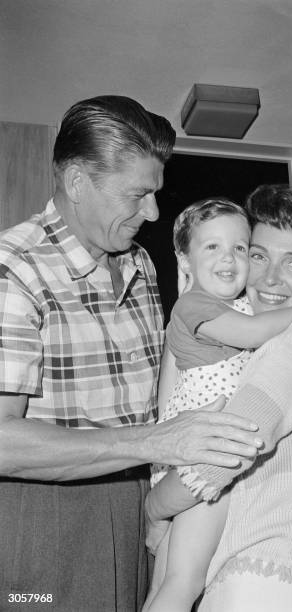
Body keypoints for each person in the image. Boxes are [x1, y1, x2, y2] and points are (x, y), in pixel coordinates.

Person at [0, 96, 263, 612]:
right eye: (138, 194)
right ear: (77, 182)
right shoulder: (15, 269)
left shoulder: (140, 262)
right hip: (46, 514)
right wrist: (157, 440)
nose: (154, 212)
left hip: (140, 500)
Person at [145, 184, 292, 612]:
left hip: (264, 587)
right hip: (250, 583)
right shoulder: (249, 333)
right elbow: (173, 400)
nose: (270, 278)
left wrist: (152, 508)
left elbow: (218, 455)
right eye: (258, 256)